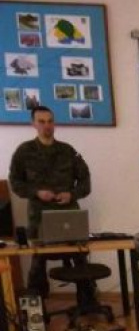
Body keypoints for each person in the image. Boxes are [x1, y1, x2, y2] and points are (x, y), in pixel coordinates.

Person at [9, 106, 92, 299]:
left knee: (80, 259)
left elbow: (86, 181)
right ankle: (36, 306)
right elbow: (15, 183)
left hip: (68, 215)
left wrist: (71, 195)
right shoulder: (24, 152)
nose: (47, 126)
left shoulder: (67, 151)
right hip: (39, 216)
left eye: (50, 121)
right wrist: (36, 192)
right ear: (33, 124)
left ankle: (87, 301)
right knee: (38, 263)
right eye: (42, 121)